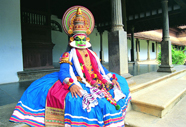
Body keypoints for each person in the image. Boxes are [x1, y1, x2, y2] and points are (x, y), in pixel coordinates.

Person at [10, 6, 131, 127]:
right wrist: (72, 85)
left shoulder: (92, 54)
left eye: (83, 39)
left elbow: (101, 70)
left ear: (87, 39)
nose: (81, 42)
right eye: (78, 39)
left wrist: (111, 77)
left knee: (121, 83)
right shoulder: (68, 55)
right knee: (80, 102)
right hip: (79, 81)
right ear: (71, 40)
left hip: (96, 80)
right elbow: (63, 73)